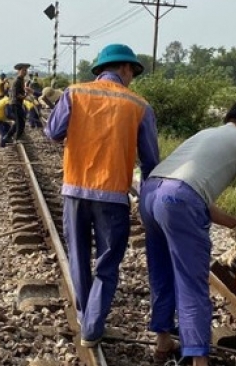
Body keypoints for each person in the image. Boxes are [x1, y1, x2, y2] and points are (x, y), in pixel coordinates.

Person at [139, 100, 236, 366]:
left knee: (162, 274)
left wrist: (235, 223)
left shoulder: (206, 134)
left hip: (151, 192)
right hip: (178, 199)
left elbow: (193, 192)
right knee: (192, 285)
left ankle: (163, 343)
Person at [44, 43, 160, 348]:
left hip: (75, 191)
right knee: (108, 261)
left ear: (101, 69)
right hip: (112, 196)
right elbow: (150, 161)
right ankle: (94, 324)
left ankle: (85, 315)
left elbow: (53, 132)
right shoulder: (139, 105)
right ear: (124, 68)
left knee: (79, 255)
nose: (132, 76)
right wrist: (147, 201)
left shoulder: (75, 93)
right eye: (132, 71)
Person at [3, 63, 30, 144]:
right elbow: (16, 94)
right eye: (23, 70)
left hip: (18, 104)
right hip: (15, 104)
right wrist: (26, 96)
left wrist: (26, 93)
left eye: (26, 70)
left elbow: (21, 93)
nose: (25, 72)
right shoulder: (17, 81)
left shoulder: (21, 80)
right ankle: (17, 138)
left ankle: (7, 137)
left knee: (20, 121)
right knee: (20, 122)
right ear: (19, 71)